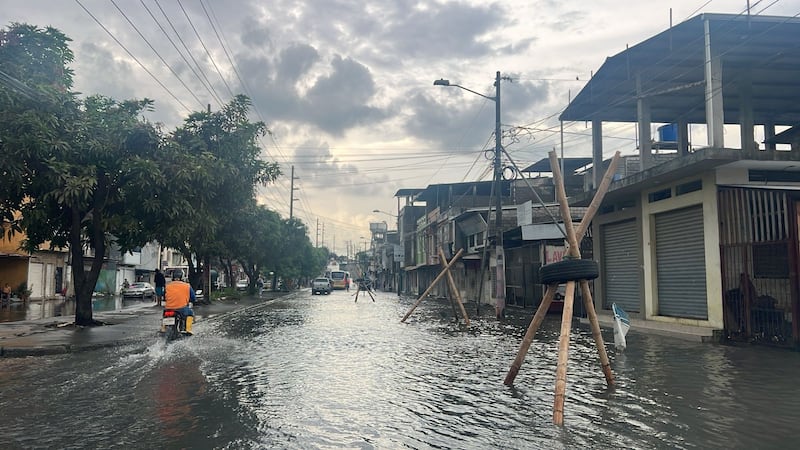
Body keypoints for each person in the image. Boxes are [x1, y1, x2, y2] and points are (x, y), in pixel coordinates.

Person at [163, 270, 195, 334]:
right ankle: (188, 329)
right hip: (182, 308)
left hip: (168, 309)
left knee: (165, 315)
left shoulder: (167, 286)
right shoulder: (187, 286)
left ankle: (163, 328)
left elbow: (163, 296)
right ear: (182, 277)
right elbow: (193, 298)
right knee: (190, 313)